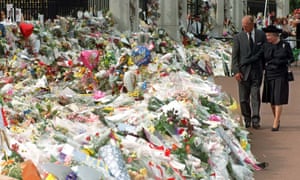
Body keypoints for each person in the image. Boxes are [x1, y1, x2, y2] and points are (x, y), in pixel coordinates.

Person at [231, 15, 266, 129]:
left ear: (252, 24)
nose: (244, 27)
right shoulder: (238, 37)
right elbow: (235, 57)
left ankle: (256, 119)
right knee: (243, 98)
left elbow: (264, 52)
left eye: (246, 25)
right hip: (243, 71)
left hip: (256, 71)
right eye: (243, 25)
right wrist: (236, 71)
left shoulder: (261, 35)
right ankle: (247, 118)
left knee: (255, 95)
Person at [261, 25, 294, 131]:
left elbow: (291, 58)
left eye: (269, 35)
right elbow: (260, 58)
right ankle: (277, 118)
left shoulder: (285, 45)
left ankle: (275, 122)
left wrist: (284, 62)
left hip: (281, 74)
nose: (267, 37)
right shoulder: (265, 46)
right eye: (266, 35)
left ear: (275, 36)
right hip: (269, 73)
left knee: (278, 98)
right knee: (272, 99)